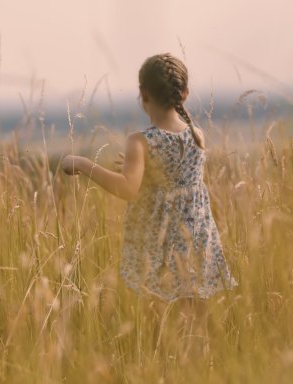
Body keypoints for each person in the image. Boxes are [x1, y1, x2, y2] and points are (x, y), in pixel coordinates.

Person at [61, 53, 237, 302]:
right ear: (184, 92)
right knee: (195, 315)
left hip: (160, 244)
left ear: (143, 95)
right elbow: (178, 177)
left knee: (162, 316)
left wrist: (83, 164)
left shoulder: (139, 141)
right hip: (196, 238)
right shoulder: (197, 134)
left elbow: (128, 189)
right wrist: (146, 170)